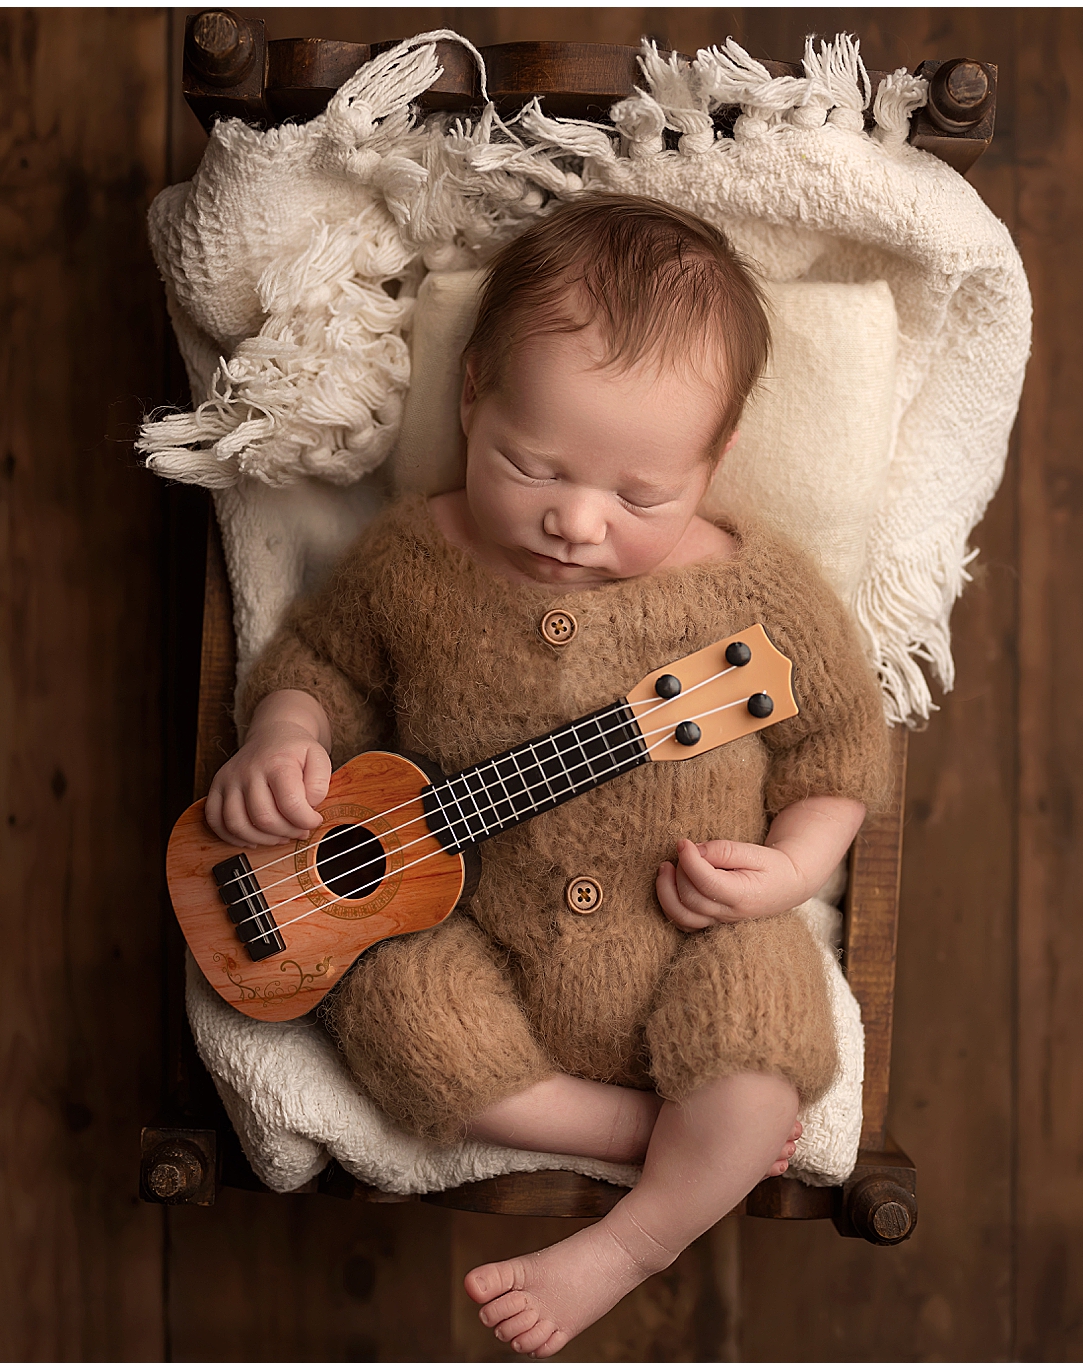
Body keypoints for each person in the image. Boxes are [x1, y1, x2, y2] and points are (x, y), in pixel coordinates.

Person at [204, 193, 887, 1357]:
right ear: (470, 396)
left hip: (690, 936)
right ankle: (631, 1127)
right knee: (386, 992)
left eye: (640, 497)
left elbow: (841, 747)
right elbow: (321, 659)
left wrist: (784, 872)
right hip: (471, 926)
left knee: (765, 1015)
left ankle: (630, 1239)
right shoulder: (417, 559)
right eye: (530, 464)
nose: (575, 520)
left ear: (712, 462)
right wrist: (281, 733)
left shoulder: (753, 596)